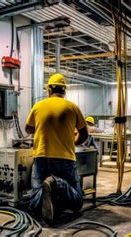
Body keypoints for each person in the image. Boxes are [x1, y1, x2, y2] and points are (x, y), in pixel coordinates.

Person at [25, 73, 88, 225]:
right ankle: (57, 183)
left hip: (41, 158)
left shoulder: (38, 106)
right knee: (77, 202)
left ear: (49, 91)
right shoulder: (73, 107)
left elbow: (28, 129)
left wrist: (43, 129)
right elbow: (85, 134)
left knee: (34, 202)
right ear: (64, 91)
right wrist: (74, 142)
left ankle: (50, 192)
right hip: (65, 158)